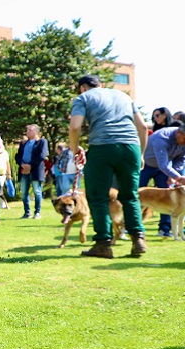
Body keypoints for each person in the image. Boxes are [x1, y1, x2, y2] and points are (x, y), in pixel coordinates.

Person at [68, 74, 147, 258]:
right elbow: (142, 127)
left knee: (98, 196)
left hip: (102, 147)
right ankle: (138, 238)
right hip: (131, 148)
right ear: (102, 85)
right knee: (130, 195)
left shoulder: (83, 98)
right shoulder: (124, 96)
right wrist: (140, 154)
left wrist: (74, 149)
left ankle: (103, 244)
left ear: (82, 88)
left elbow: (75, 126)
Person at [140, 124, 185, 238]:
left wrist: (174, 175)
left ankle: (164, 229)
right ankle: (130, 227)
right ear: (178, 133)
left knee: (168, 197)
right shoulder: (161, 138)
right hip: (144, 165)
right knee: (135, 195)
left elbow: (180, 159)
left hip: (164, 169)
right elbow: (163, 164)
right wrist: (178, 177)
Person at [15, 124, 49, 219]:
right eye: (27, 130)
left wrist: (30, 166)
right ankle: (27, 212)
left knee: (37, 191)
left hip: (35, 170)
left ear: (36, 131)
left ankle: (37, 212)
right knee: (24, 192)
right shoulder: (24, 143)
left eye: (30, 130)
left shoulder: (42, 142)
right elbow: (17, 156)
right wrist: (22, 164)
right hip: (23, 170)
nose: (27, 132)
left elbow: (42, 156)